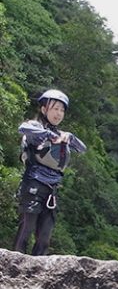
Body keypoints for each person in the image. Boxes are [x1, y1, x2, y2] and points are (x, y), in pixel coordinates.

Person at [13, 89, 87, 256]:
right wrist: (48, 135)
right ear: (44, 109)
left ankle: (36, 275)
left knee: (44, 238)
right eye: (55, 108)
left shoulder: (62, 134)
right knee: (26, 228)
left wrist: (70, 137)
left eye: (62, 110)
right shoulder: (36, 128)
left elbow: (82, 149)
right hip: (33, 184)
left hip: (52, 189)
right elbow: (22, 128)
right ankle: (14, 267)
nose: (59, 113)